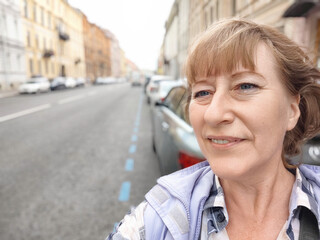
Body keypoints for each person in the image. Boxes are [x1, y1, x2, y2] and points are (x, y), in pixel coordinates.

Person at [106, 18, 320, 240]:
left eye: (245, 86)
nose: (213, 114)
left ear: (292, 110)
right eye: (202, 92)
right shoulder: (157, 219)